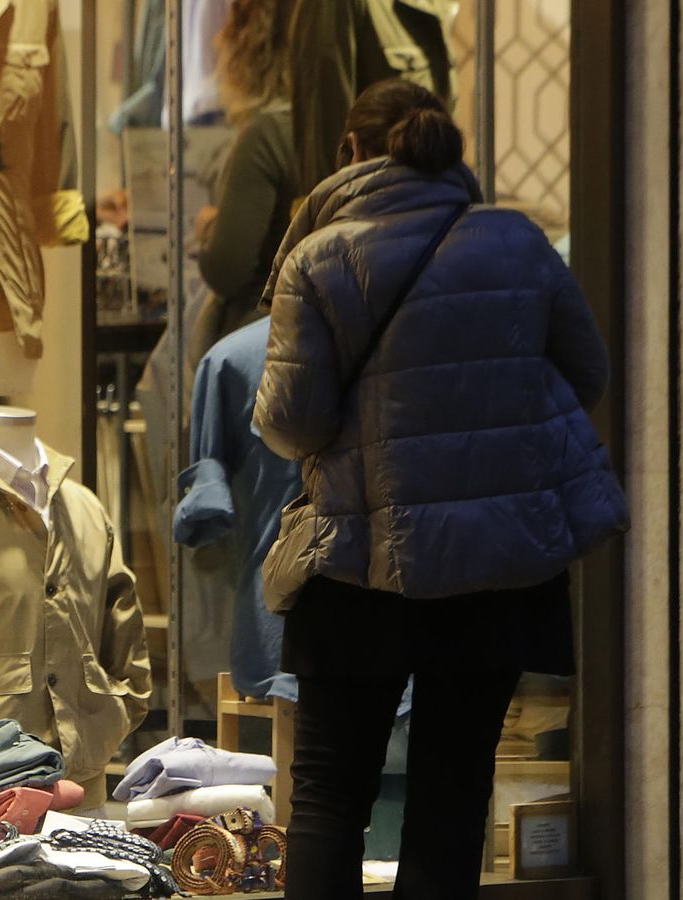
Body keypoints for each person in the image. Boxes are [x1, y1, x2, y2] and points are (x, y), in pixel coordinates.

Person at [253, 79, 628, 899]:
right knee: (452, 804)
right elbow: (588, 374)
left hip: (357, 562)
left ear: (350, 153)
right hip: (494, 567)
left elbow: (294, 422)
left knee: (326, 800)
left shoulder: (319, 257)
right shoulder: (517, 243)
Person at [190, 0, 299, 370]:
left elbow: (226, 266)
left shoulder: (267, 136)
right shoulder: (349, 124)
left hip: (263, 349)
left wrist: (209, 228)